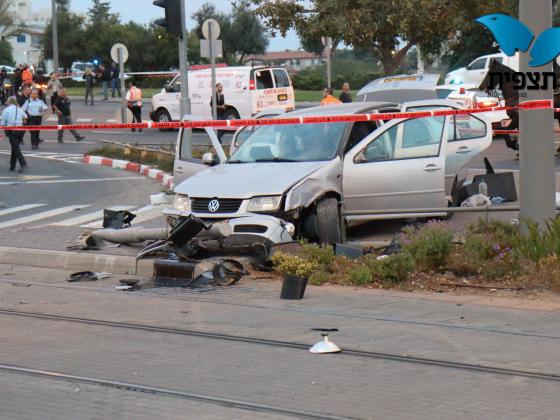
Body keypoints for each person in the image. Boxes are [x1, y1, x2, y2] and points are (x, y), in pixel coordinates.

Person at [2, 96, 27, 172]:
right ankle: (12, 166)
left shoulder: (6, 110)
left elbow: (3, 122)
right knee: (14, 147)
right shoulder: (19, 109)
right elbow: (25, 116)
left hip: (11, 130)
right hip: (20, 130)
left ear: (8, 102)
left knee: (16, 148)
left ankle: (23, 163)